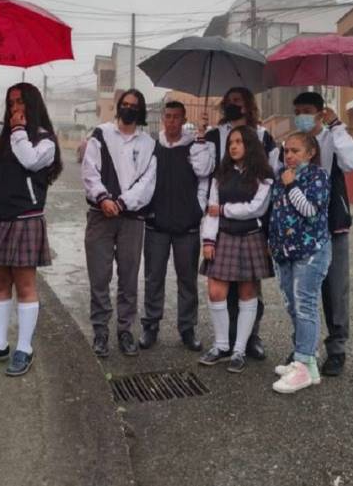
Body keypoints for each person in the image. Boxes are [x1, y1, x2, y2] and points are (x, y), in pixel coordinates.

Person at [0, 83, 62, 376]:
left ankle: (24, 348)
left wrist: (19, 131)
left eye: (20, 102)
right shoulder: (2, 138)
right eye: (11, 103)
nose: (15, 108)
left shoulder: (45, 141)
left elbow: (30, 160)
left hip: (25, 219)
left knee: (25, 286)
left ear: (32, 105)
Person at [289, 91, 353, 376]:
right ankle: (303, 348)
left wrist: (338, 127)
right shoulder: (295, 143)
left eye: (307, 110)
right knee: (300, 291)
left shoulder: (334, 137)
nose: (302, 116)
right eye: (297, 110)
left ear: (321, 112)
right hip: (302, 227)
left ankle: (336, 350)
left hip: (332, 225)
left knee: (334, 291)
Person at [202, 87, 278, 360]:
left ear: (248, 105)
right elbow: (209, 208)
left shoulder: (263, 151)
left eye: (239, 142)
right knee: (216, 290)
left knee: (249, 291)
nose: (233, 145)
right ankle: (222, 344)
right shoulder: (217, 156)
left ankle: (242, 346)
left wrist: (223, 210)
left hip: (252, 233)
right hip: (223, 235)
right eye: (231, 142)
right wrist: (208, 240)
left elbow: (257, 206)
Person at [82, 89, 157, 358]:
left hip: (132, 220)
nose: (128, 109)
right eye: (124, 105)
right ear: (117, 107)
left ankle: (125, 330)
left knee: (128, 278)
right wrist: (103, 199)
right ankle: (100, 331)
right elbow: (90, 172)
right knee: (99, 277)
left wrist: (122, 203)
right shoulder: (100, 134)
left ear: (141, 110)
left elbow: (148, 183)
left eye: (133, 106)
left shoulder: (148, 143)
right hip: (100, 216)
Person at [140, 101, 210, 351]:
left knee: (187, 280)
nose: (171, 121)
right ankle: (150, 325)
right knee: (153, 277)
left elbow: (204, 178)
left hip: (187, 226)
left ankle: (187, 329)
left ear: (183, 120)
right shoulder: (152, 146)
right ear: (162, 119)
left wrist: (198, 209)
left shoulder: (195, 147)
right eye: (167, 116)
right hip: (156, 224)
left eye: (176, 117)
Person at [268, 132, 330, 393]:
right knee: (292, 304)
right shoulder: (280, 176)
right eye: (286, 151)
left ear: (310, 153)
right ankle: (310, 363)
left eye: (295, 151)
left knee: (305, 304)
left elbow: (310, 210)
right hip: (284, 252)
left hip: (309, 251)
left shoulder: (318, 176)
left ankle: (302, 363)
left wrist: (292, 186)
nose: (289, 155)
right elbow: (275, 211)